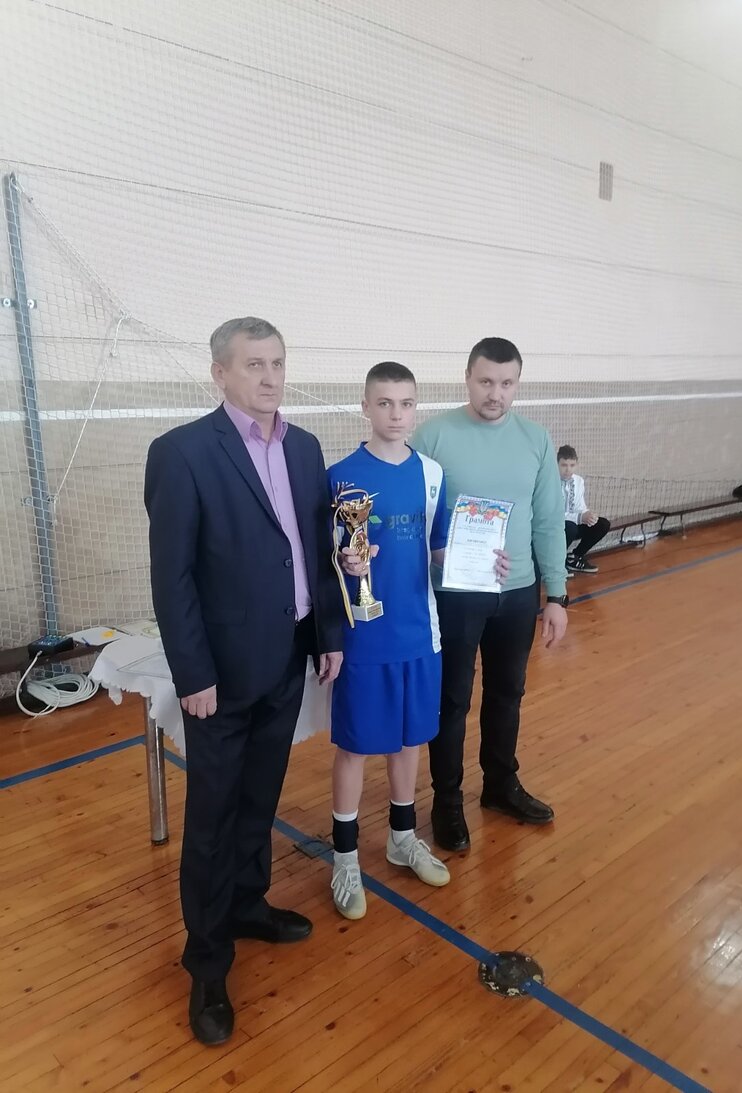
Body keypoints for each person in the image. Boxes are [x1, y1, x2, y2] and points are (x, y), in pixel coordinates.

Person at [144, 317, 344, 1046]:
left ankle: (248, 904)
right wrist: (193, 672)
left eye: (278, 363)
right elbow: (173, 578)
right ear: (220, 373)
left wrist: (327, 635)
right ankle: (206, 960)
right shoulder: (182, 454)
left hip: (288, 656)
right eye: (254, 364)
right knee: (212, 816)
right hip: (221, 675)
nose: (269, 377)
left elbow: (316, 552)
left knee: (261, 795)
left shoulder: (304, 447)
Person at [413, 337, 569, 852]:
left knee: (507, 693)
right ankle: (447, 801)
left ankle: (500, 785)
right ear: (467, 378)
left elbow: (548, 521)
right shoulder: (433, 436)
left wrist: (556, 596)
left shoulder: (536, 440)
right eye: (485, 381)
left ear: (517, 384)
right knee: (451, 701)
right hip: (455, 593)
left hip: (518, 592)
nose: (495, 393)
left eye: (506, 383)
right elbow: (415, 517)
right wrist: (439, 554)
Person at [326, 361, 453, 921]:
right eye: (384, 403)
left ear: (415, 408)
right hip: (363, 637)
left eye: (405, 403)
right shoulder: (339, 477)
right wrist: (345, 561)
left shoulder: (433, 474)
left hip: (421, 633)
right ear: (365, 407)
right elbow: (327, 559)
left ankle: (402, 838)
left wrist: (482, 563)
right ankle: (344, 858)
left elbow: (441, 550)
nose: (396, 414)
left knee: (409, 741)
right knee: (355, 746)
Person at [557, 445, 611, 574]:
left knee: (602, 524)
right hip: (554, 527)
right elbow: (553, 513)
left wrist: (588, 515)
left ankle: (574, 557)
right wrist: (580, 517)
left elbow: (580, 506)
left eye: (572, 465)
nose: (568, 469)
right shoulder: (550, 482)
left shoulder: (579, 481)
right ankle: (556, 563)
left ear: (576, 465)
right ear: (557, 464)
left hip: (573, 524)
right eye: (564, 465)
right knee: (570, 527)